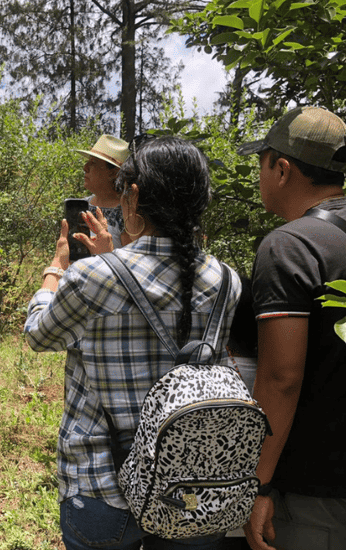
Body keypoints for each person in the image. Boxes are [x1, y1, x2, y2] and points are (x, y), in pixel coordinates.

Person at [24, 135, 241, 550]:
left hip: (102, 482)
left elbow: (38, 336)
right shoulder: (226, 279)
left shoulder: (94, 276)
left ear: (134, 194)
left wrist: (53, 274)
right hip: (191, 485)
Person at [237, 106, 346, 550]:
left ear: (282, 168)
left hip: (313, 493)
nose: (258, 175)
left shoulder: (291, 247)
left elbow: (281, 377)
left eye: (261, 163)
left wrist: (258, 485)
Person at [75, 134, 129, 249]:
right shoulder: (80, 206)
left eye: (93, 162)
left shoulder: (128, 213)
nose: (85, 167)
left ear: (113, 173)